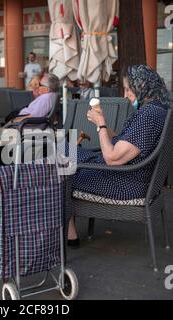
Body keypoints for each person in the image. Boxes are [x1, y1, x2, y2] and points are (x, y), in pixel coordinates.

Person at [67, 65, 169, 248]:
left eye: (129, 89)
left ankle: (68, 233)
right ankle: (67, 228)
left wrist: (101, 125)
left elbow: (112, 159)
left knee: (61, 171)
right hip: (136, 176)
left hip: (124, 182)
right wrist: (108, 131)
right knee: (64, 150)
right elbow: (130, 145)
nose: (126, 95)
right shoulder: (158, 110)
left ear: (143, 85)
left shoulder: (148, 115)